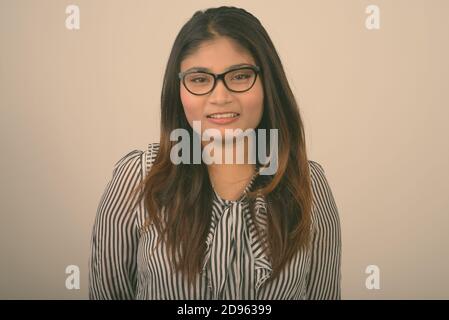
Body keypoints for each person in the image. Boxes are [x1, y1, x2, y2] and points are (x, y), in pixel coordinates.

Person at [88, 6, 342, 300]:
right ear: (178, 89)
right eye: (199, 79)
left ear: (267, 83)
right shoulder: (136, 179)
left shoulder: (309, 183)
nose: (220, 97)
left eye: (239, 76)